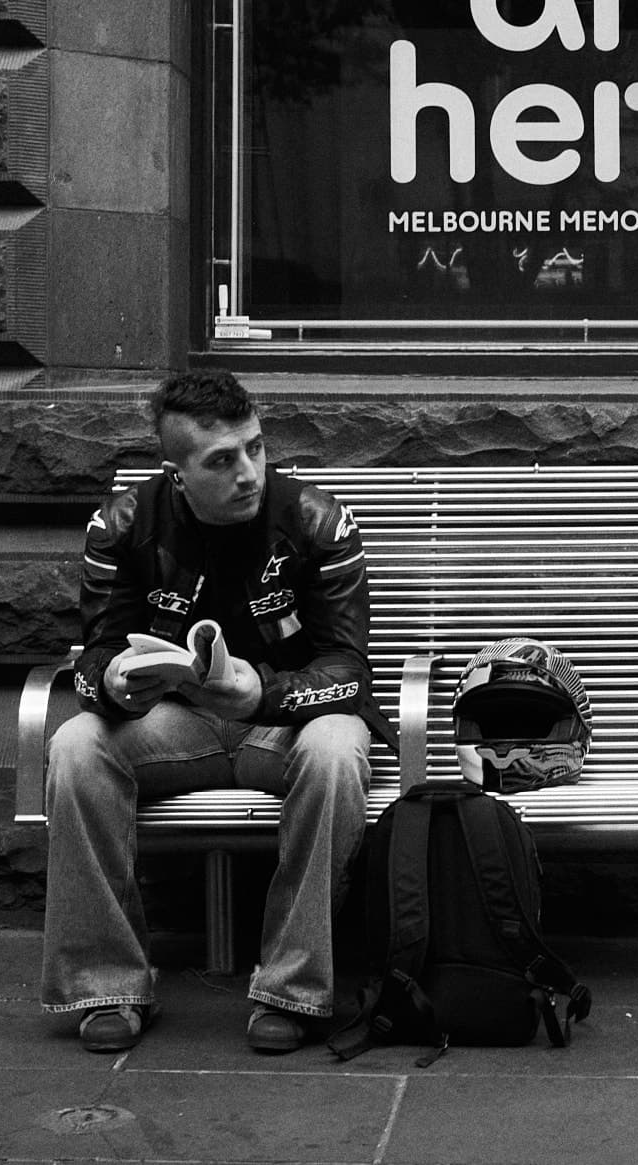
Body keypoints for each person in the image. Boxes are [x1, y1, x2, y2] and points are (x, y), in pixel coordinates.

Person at [40, 369, 393, 1054]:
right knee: (78, 743)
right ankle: (107, 985)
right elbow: (93, 657)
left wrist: (261, 693)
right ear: (175, 470)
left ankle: (294, 989)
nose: (249, 473)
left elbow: (349, 670)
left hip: (284, 723)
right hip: (175, 725)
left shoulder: (319, 519)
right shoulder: (121, 525)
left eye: (256, 448)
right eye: (222, 460)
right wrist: (113, 683)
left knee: (338, 748)